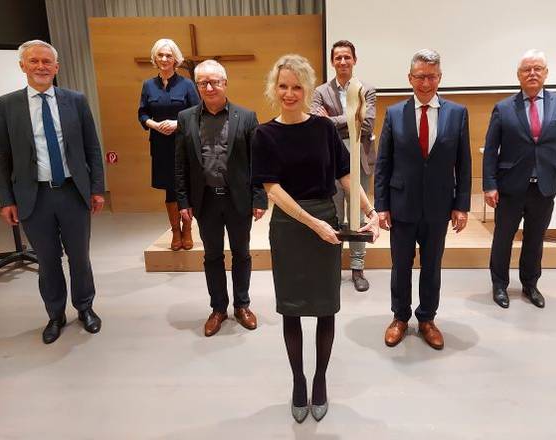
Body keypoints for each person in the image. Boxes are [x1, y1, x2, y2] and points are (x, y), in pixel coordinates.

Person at [251, 54, 379, 423]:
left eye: (297, 86)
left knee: (326, 306)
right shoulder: (264, 134)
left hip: (326, 221)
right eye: (283, 86)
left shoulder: (323, 129)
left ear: (307, 89)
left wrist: (370, 211)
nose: (289, 93)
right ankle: (298, 381)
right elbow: (272, 189)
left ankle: (320, 379)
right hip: (290, 226)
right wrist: (313, 223)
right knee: (291, 308)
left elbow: (345, 176)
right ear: (274, 89)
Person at [0, 40, 105, 344]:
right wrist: (6, 199)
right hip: (34, 197)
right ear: (23, 66)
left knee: (80, 257)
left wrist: (97, 188)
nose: (41, 67)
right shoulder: (6, 105)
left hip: (72, 193)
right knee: (47, 260)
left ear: (56, 67)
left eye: (47, 62)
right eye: (34, 61)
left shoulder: (76, 101)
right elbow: (2, 155)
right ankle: (55, 314)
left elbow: (92, 147)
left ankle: (85, 307)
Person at [374, 49, 471, 350]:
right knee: (400, 266)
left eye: (431, 76)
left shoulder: (457, 113)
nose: (425, 83)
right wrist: (381, 206)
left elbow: (464, 163)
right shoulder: (394, 113)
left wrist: (461, 205)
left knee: (432, 266)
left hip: (439, 206)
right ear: (410, 78)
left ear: (440, 78)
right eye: (420, 76)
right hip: (402, 205)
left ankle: (427, 318)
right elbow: (383, 163)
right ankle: (400, 317)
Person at [175, 60, 267, 337]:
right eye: (203, 83)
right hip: (205, 201)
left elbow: (258, 162)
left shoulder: (246, 117)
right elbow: (180, 164)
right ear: (197, 86)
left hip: (237, 199)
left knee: (242, 254)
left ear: (225, 83)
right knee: (212, 256)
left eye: (214, 81)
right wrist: (183, 201)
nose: (209, 87)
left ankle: (242, 305)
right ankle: (218, 309)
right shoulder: (186, 118)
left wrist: (259, 198)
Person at [483, 49, 556, 309]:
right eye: (527, 69)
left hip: (544, 187)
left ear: (546, 73)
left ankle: (530, 284)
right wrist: (489, 184)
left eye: (538, 69)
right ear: (519, 75)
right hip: (510, 187)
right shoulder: (503, 108)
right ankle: (499, 284)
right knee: (503, 238)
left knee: (535, 239)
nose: (532, 73)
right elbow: (490, 150)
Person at [310, 40, 376, 292]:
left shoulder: (366, 89)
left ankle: (358, 268)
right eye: (338, 57)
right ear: (332, 62)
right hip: (330, 162)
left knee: (358, 216)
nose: (343, 61)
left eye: (347, 57)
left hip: (360, 160)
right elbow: (318, 125)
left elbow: (366, 124)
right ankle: (333, 267)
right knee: (334, 216)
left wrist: (333, 120)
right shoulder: (320, 92)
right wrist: (350, 119)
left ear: (354, 60)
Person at [138, 38, 200, 251]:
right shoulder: (148, 85)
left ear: (175, 59)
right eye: (161, 55)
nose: (164, 59)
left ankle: (188, 229)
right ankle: (175, 231)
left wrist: (177, 124)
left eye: (168, 55)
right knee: (170, 189)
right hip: (160, 145)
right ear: (155, 58)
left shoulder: (187, 84)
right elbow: (142, 113)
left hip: (184, 143)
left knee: (185, 186)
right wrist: (154, 125)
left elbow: (198, 113)